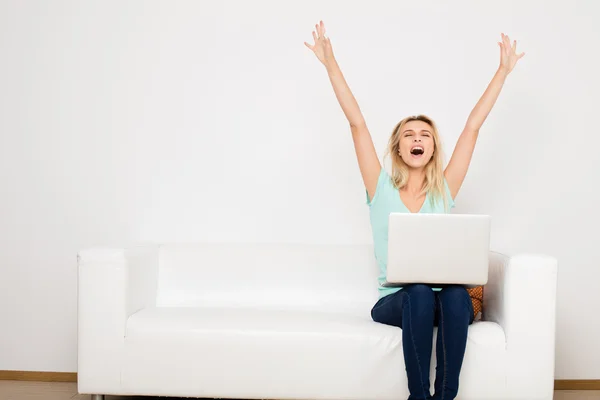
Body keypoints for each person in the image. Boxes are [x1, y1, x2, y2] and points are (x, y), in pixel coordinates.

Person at [305, 21, 524, 400]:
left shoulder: (444, 190)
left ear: (433, 149)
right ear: (398, 148)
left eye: (424, 135)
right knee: (419, 290)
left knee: (454, 294)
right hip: (398, 302)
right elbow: (357, 123)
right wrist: (330, 64)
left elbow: (472, 127)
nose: (417, 138)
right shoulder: (380, 189)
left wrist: (502, 73)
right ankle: (418, 395)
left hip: (443, 303)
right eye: (409, 134)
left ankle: (445, 396)